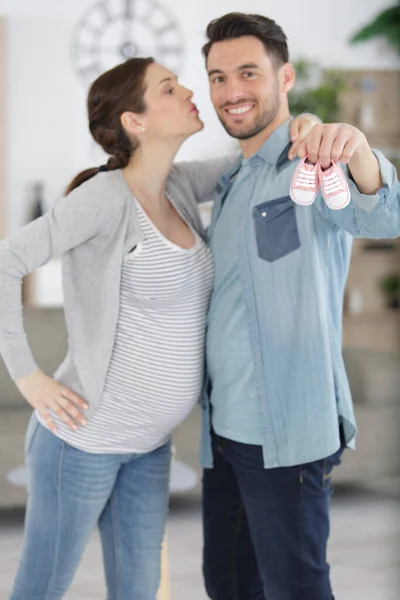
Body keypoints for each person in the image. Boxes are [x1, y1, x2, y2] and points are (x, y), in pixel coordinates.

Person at [0, 55, 316, 599]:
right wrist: (26, 375)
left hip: (148, 448)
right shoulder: (102, 198)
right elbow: (7, 260)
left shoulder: (177, 186)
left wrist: (304, 126)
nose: (190, 90)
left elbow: (259, 155)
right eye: (169, 88)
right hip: (80, 444)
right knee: (41, 589)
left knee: (138, 591)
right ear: (134, 120)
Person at [199, 12, 400, 600]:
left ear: (284, 78)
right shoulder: (232, 181)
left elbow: (384, 212)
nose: (231, 91)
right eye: (217, 76)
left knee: (297, 588)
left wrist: (358, 151)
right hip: (225, 428)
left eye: (247, 73)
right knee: (230, 585)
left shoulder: (312, 163)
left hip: (286, 428)